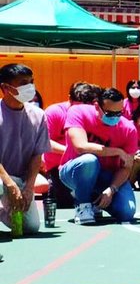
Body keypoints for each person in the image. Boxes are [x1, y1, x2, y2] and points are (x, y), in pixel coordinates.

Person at [60, 87, 139, 225]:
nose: (114, 117)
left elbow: (127, 166)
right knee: (89, 160)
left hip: (107, 177)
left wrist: (111, 189)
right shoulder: (77, 112)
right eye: (109, 113)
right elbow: (81, 146)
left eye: (118, 113)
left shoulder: (129, 129)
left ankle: (96, 201)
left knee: (127, 212)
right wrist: (118, 151)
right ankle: (83, 204)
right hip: (74, 171)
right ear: (97, 106)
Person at [0, 63, 50, 236]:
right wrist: (9, 183)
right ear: (6, 88)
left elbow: (37, 154)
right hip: (2, 179)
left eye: (31, 81)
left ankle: (7, 208)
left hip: (20, 180)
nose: (30, 87)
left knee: (31, 227)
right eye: (23, 83)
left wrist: (29, 187)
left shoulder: (39, 115)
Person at [43, 81, 98, 210]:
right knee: (65, 204)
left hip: (88, 164)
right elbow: (46, 142)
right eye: (77, 106)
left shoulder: (93, 114)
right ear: (69, 99)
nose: (81, 111)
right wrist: (73, 150)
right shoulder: (54, 112)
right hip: (58, 167)